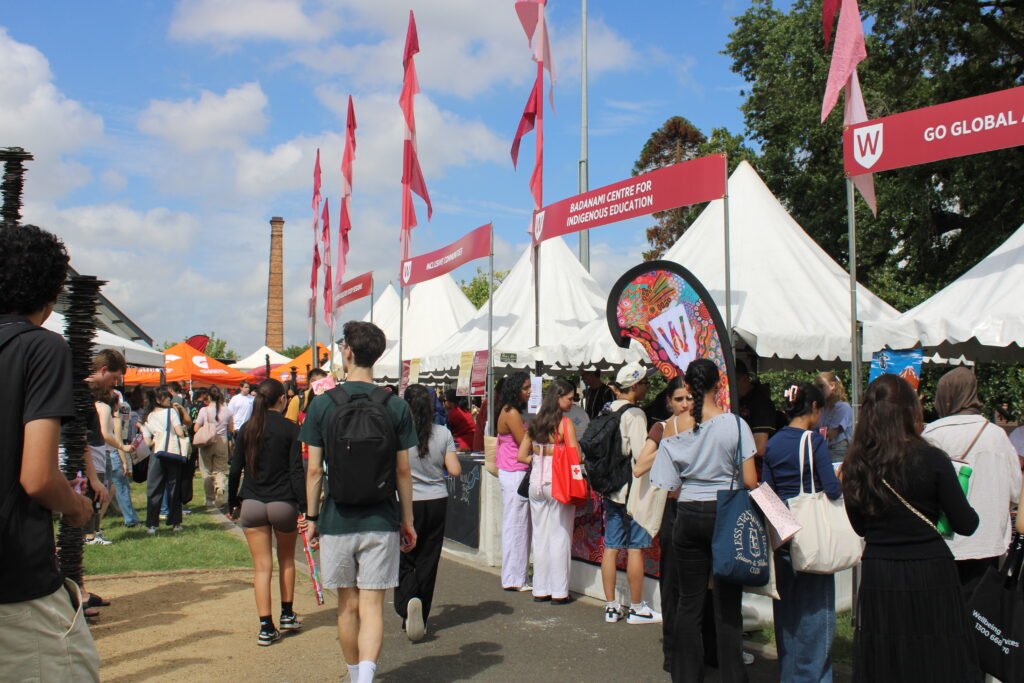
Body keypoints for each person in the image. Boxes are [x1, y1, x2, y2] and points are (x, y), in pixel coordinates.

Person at [0, 224, 99, 681]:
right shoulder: (40, 347)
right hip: (17, 581)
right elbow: (37, 477)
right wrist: (77, 506)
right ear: (51, 292)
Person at [299, 321, 417, 683]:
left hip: (337, 519)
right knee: (372, 607)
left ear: (347, 351)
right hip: (381, 519)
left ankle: (354, 676)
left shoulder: (322, 405)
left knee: (346, 606)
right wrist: (407, 520)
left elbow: (315, 470)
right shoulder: (395, 405)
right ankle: (366, 678)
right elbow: (402, 472)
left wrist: (313, 516)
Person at [842, 375, 980, 683]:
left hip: (881, 572)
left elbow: (860, 527)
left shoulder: (857, 465)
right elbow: (966, 524)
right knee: (935, 657)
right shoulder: (931, 458)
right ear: (909, 411)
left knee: (888, 659)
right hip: (930, 570)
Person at [650, 358, 759, 683]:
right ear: (718, 385)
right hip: (724, 512)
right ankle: (731, 675)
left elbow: (666, 485)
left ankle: (684, 674)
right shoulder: (733, 425)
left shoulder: (677, 427)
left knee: (689, 601)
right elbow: (750, 479)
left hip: (687, 513)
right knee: (726, 603)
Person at [763, 382, 842, 683]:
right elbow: (832, 489)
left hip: (783, 536)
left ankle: (790, 675)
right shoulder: (815, 442)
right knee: (817, 618)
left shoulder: (773, 443)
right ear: (813, 408)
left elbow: (767, 492)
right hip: (812, 538)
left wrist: (783, 530)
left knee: (787, 616)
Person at [922, 367, 1021, 595]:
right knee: (978, 620)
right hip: (987, 545)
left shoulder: (931, 436)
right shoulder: (997, 436)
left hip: (940, 545)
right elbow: (1016, 492)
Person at [228, 379, 306, 646]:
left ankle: (265, 626)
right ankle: (286, 613)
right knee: (286, 560)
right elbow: (297, 471)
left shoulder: (248, 429)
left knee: (262, 568)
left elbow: (235, 468)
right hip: (283, 501)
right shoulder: (290, 429)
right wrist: (305, 506)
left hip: (252, 502)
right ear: (282, 400)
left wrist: (232, 503)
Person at [633, 375, 694, 674]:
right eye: (679, 399)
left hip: (699, 508)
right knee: (672, 584)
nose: (684, 404)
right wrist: (669, 443)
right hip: (672, 510)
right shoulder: (661, 428)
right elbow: (639, 466)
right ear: (669, 401)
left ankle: (698, 651)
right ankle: (671, 651)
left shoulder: (704, 426)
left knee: (699, 586)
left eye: (689, 398)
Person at [395, 384, 461, 641]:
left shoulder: (398, 433)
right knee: (428, 558)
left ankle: (407, 600)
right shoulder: (443, 433)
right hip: (436, 500)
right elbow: (454, 470)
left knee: (404, 556)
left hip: (406, 501)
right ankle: (421, 612)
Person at [599, 362, 662, 625]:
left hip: (610, 488)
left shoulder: (606, 410)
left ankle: (611, 606)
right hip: (631, 492)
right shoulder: (635, 415)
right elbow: (641, 457)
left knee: (611, 547)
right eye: (645, 383)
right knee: (635, 549)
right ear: (634, 386)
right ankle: (637, 607)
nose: (648, 387)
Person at [516, 379, 578, 606]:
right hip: (558, 482)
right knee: (560, 535)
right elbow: (576, 456)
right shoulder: (565, 424)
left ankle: (541, 589)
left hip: (535, 484)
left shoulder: (535, 422)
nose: (572, 402)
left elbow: (521, 456)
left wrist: (540, 457)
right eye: (569, 398)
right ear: (558, 397)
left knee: (540, 536)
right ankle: (560, 591)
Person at [495, 371, 532, 592]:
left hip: (512, 471)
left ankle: (515, 576)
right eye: (526, 388)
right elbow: (523, 442)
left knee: (517, 525)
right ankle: (514, 577)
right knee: (517, 525)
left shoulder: (510, 410)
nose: (529, 392)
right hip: (515, 471)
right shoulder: (512, 413)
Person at [142, 387, 188, 534]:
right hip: (172, 453)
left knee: (154, 489)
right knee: (174, 488)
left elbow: (147, 440)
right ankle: (175, 522)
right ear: (158, 399)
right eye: (167, 397)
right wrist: (184, 429)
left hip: (156, 453)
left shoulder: (148, 416)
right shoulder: (171, 412)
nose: (170, 399)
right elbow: (179, 432)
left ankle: (152, 524)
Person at [196, 386, 232, 508]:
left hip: (207, 442)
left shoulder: (204, 410)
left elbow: (196, 428)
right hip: (222, 441)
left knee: (206, 471)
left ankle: (210, 499)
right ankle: (220, 487)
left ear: (209, 397)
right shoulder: (227, 411)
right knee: (220, 469)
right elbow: (231, 428)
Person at [735, 360, 776, 459]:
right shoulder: (739, 399)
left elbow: (760, 447)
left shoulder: (760, 402)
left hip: (755, 467)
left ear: (744, 379)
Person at [815, 371, 853, 463]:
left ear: (832, 386)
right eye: (816, 387)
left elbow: (832, 433)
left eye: (821, 386)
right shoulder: (822, 408)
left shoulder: (843, 407)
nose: (818, 390)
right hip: (824, 448)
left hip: (838, 451)